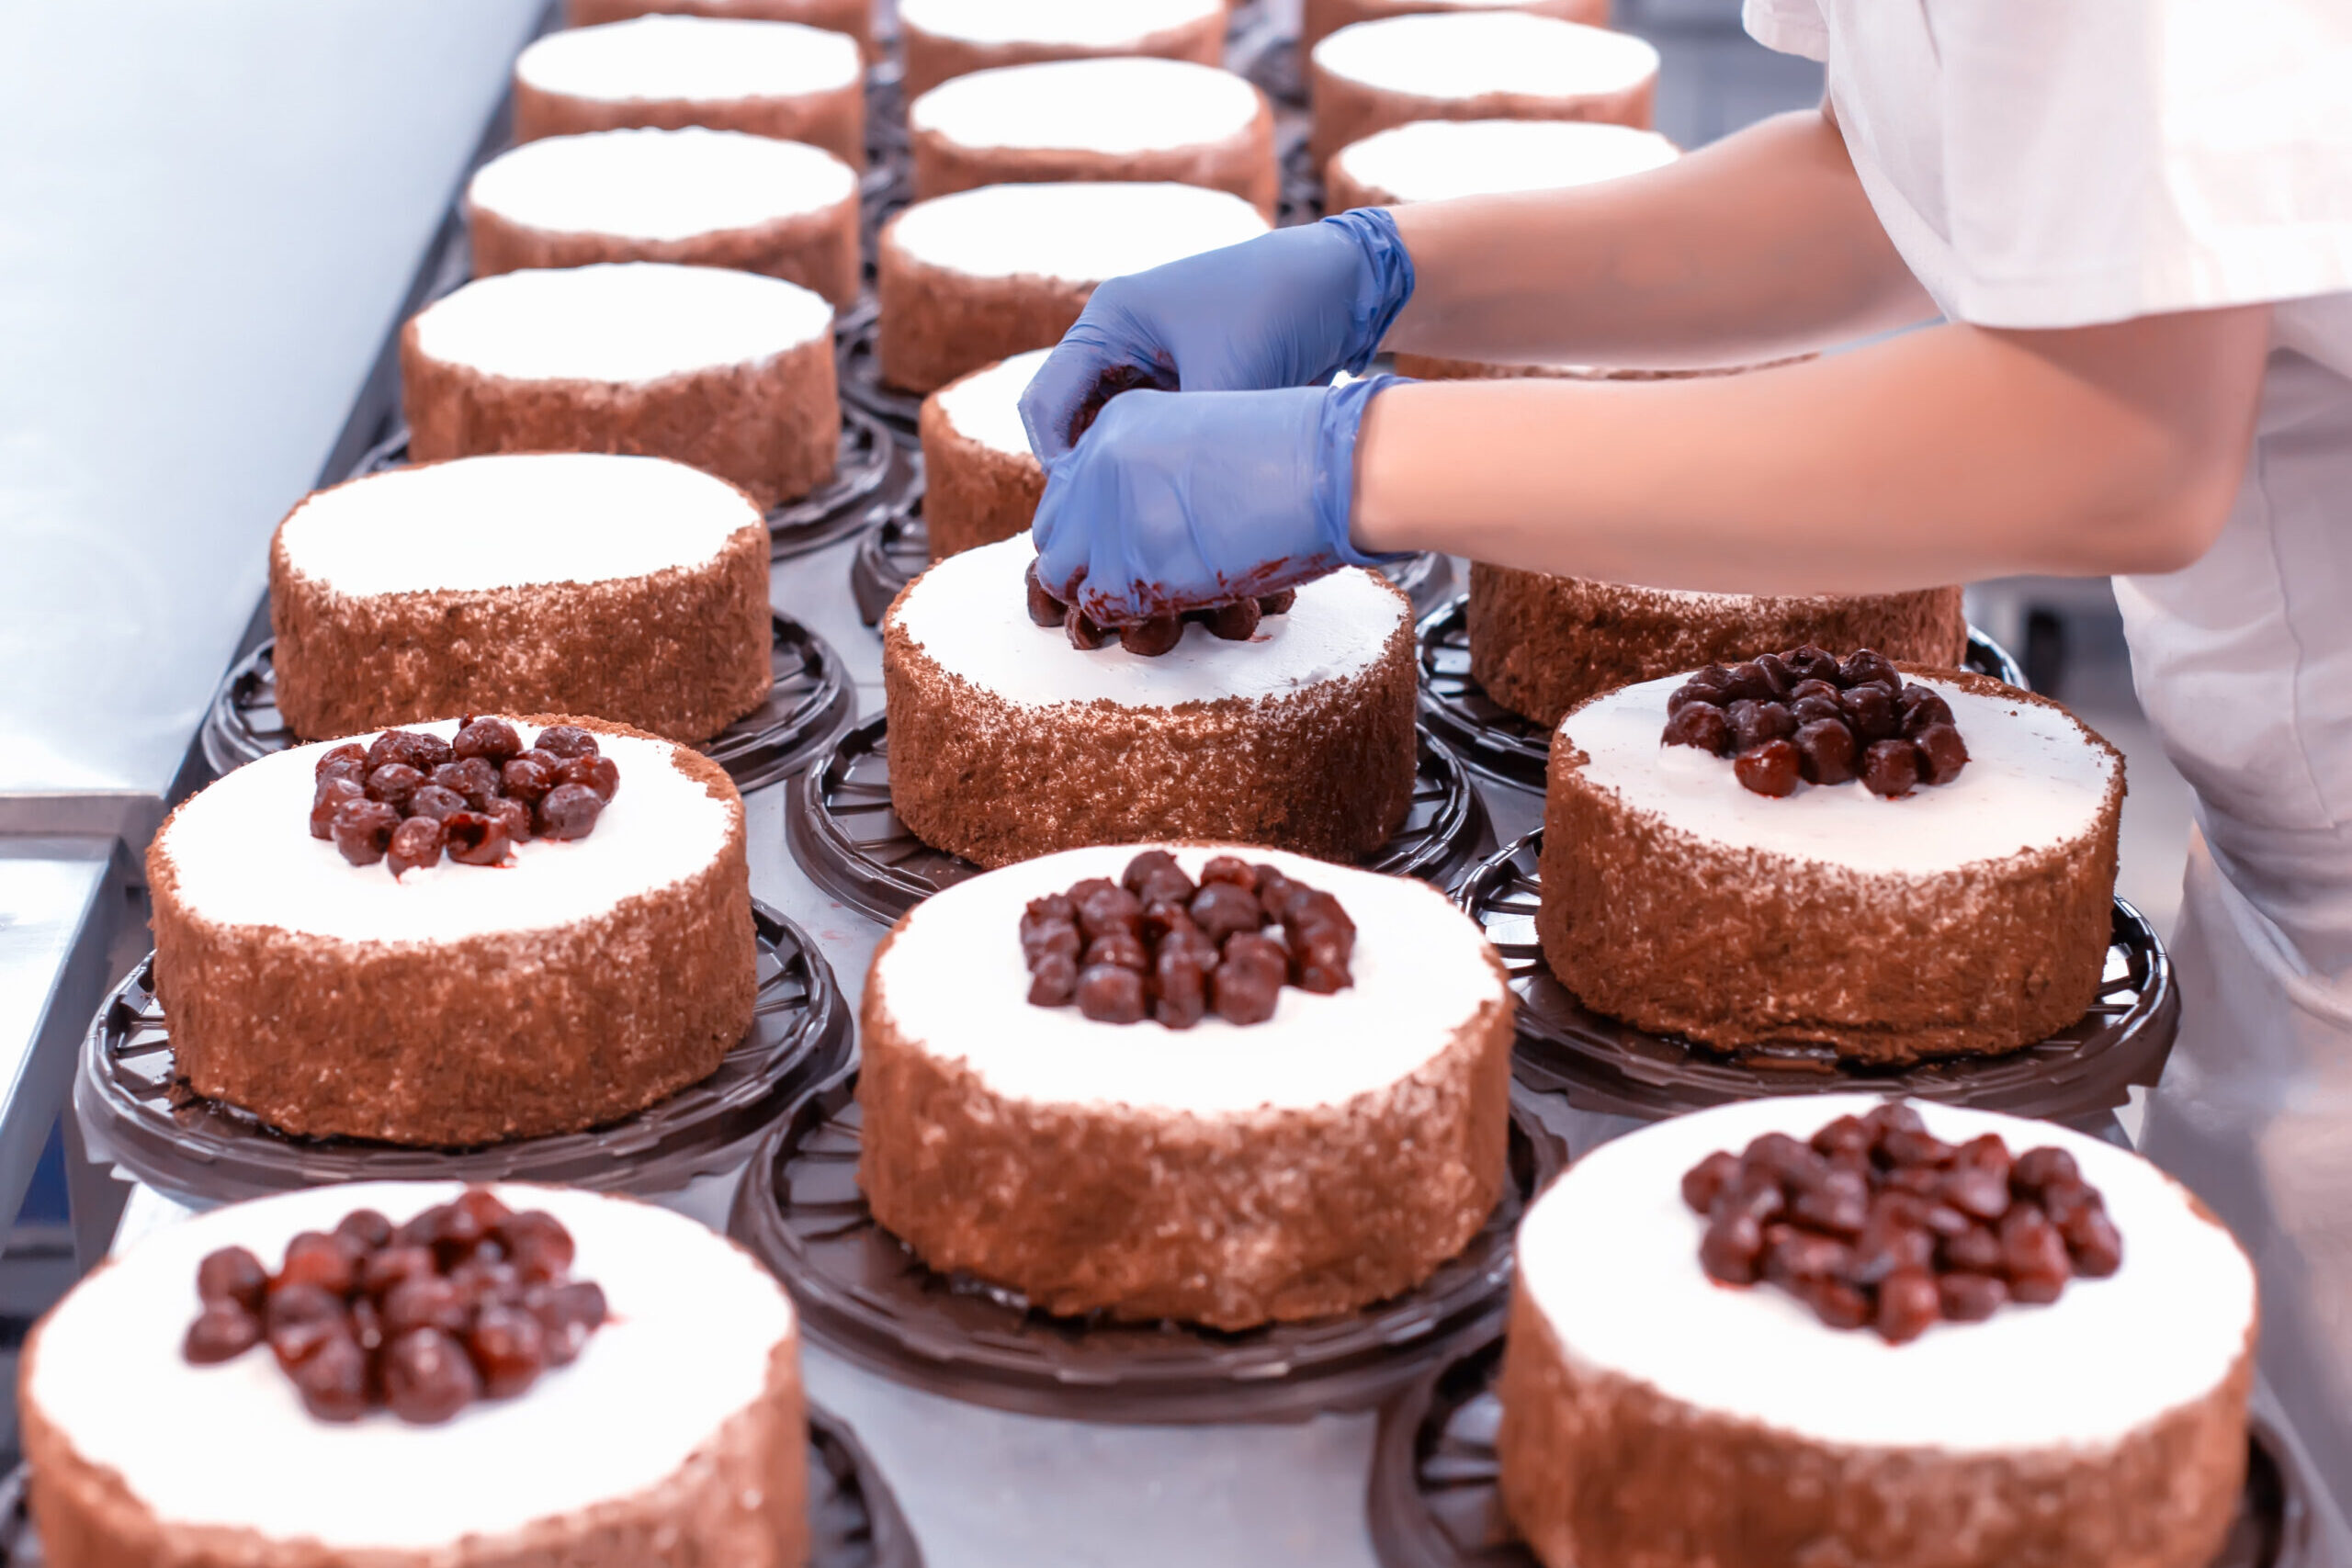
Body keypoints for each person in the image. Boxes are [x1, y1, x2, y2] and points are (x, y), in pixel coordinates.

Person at [1019, 0, 2352, 1537]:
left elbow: (2115, 439)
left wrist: (1366, 463)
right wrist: (1386, 271)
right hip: (2278, 843)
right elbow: (1886, 189)